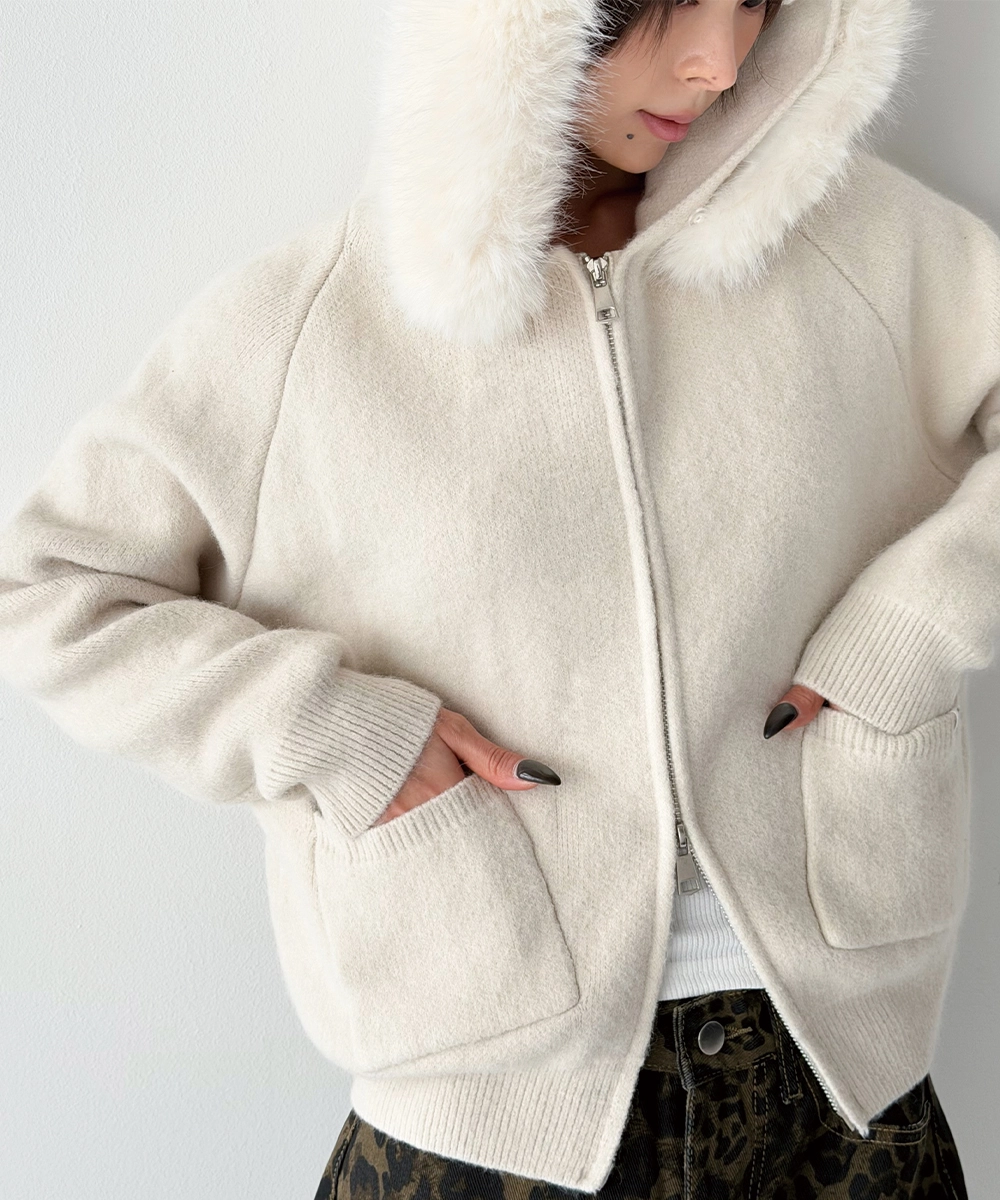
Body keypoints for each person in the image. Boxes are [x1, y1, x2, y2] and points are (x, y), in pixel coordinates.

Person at [0, 0, 993, 1193]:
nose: (720, 64)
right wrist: (332, 729)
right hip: (483, 1132)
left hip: (842, 1104)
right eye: (672, 5)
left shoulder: (867, 249)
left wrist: (910, 630)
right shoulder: (308, 325)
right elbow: (47, 590)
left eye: (753, 4)